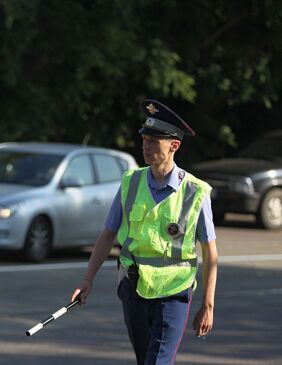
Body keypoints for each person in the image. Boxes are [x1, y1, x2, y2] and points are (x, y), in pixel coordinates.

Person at [70, 99, 218, 365]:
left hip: (174, 292)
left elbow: (210, 253)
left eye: (153, 142)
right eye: (144, 140)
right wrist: (87, 279)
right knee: (145, 360)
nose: (145, 147)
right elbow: (108, 234)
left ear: (174, 146)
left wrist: (207, 304)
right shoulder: (131, 181)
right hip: (134, 289)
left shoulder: (197, 192)